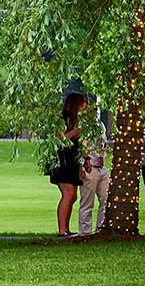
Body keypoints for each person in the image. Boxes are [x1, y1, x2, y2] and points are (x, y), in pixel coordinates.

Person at [49, 92, 87, 237]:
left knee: (73, 196)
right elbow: (58, 140)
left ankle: (66, 228)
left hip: (73, 161)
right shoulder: (64, 119)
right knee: (68, 193)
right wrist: (75, 132)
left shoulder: (78, 120)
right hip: (62, 161)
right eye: (82, 102)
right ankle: (61, 230)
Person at [78, 110, 110, 236]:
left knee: (106, 199)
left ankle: (101, 229)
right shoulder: (83, 126)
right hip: (89, 166)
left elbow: (103, 144)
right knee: (87, 202)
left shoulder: (101, 125)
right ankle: (85, 232)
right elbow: (82, 146)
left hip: (101, 166)